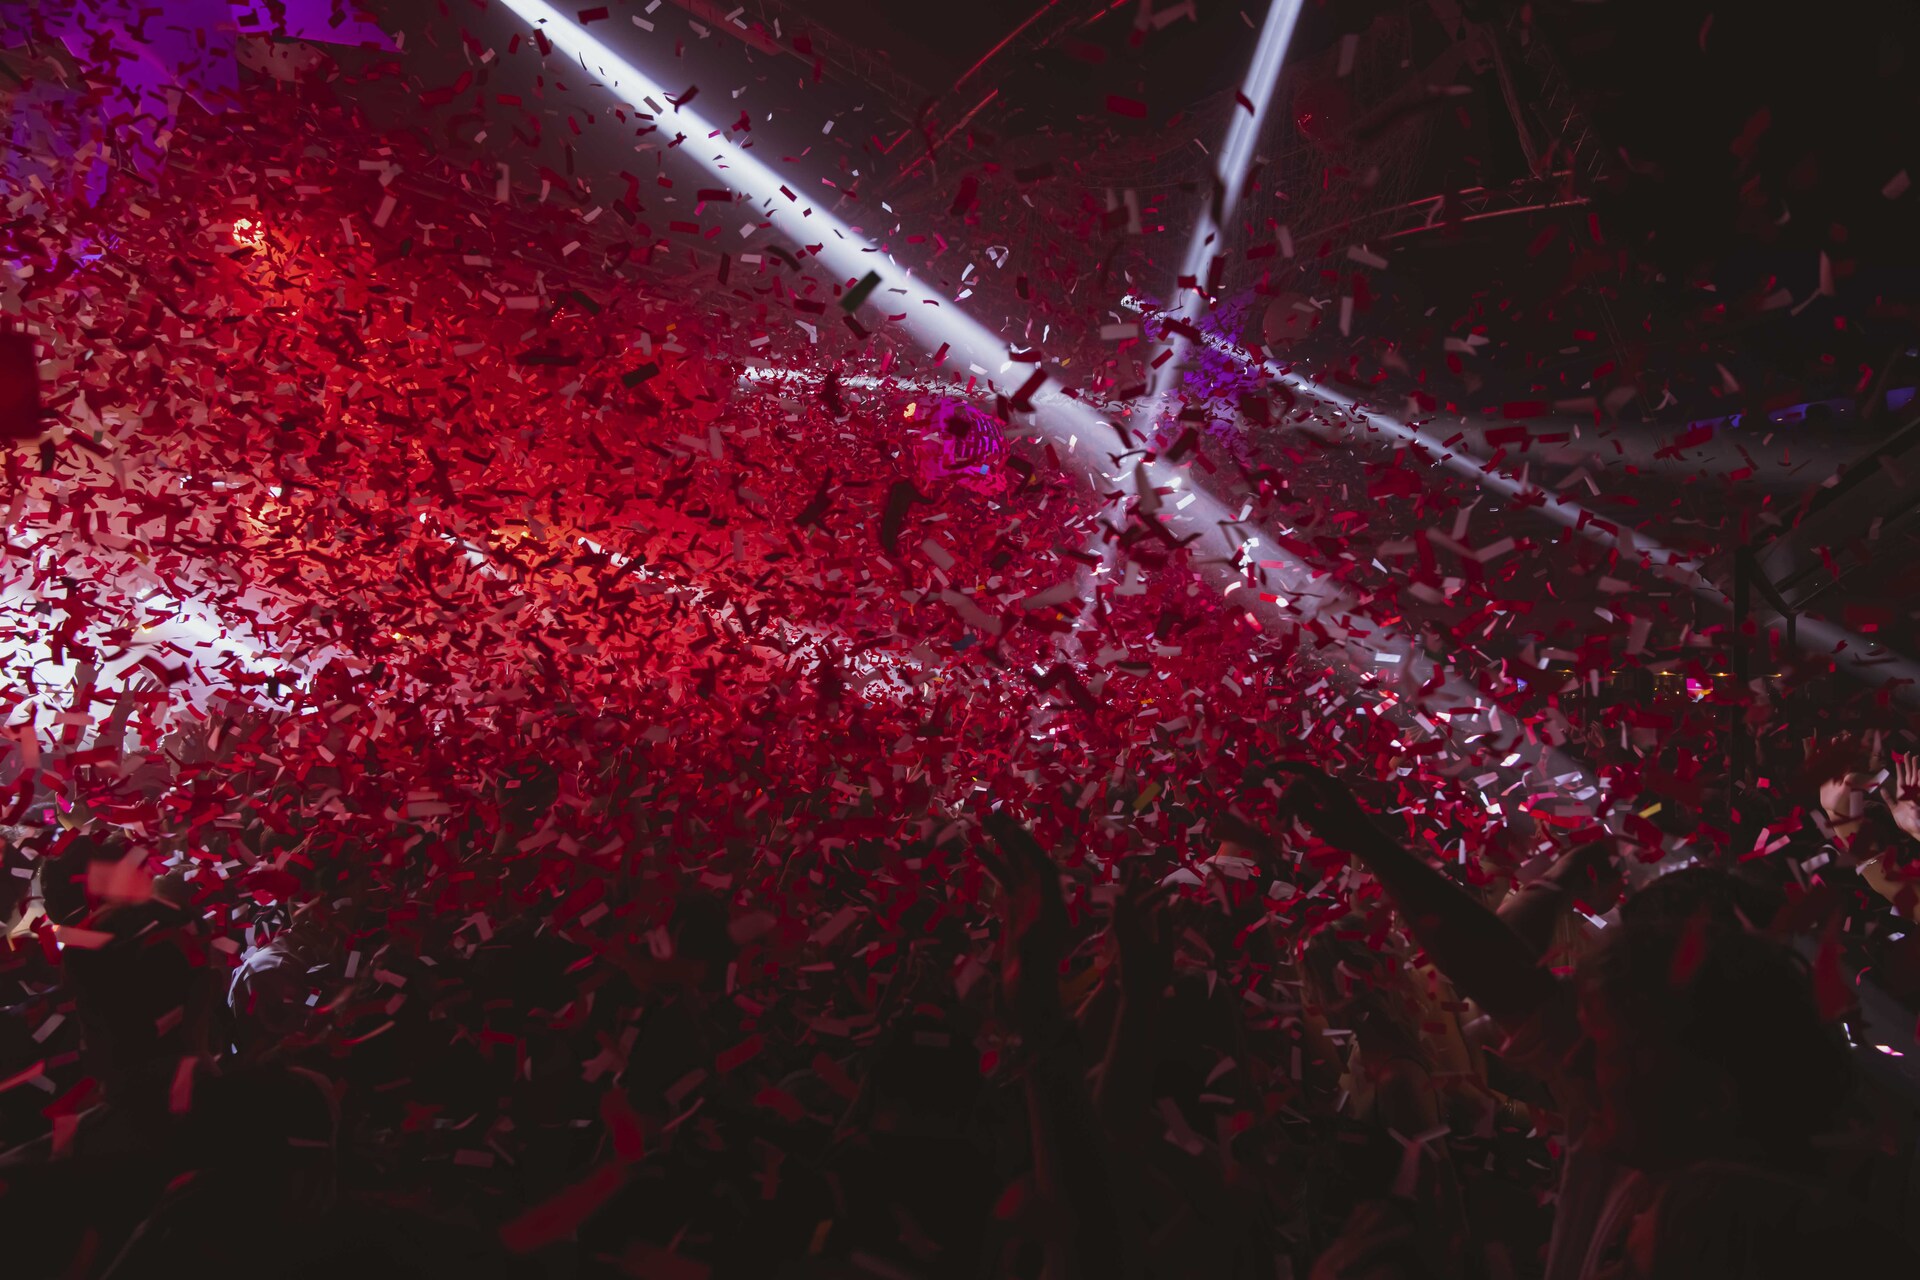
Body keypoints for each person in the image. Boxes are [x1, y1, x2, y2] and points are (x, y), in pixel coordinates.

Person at [1278, 765, 1918, 1280]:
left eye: (1612, 1048)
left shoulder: (1764, 1233)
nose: (1579, 1060)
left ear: (1708, 1091)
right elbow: (1495, 968)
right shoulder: (1651, 1111)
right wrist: (1366, 841)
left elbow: (1498, 971)